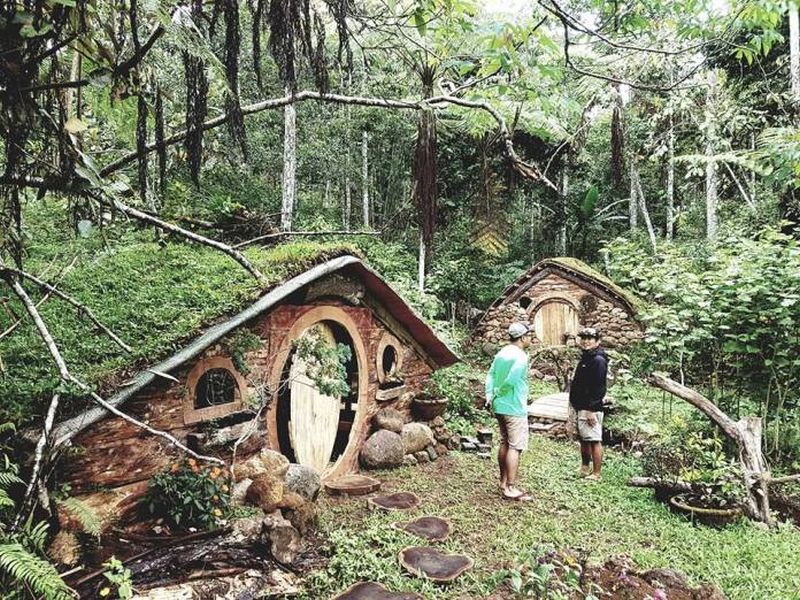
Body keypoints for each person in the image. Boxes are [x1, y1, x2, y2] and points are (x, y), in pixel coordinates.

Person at [485, 322, 533, 500]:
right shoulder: (520, 357)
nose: (530, 338)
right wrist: (500, 392)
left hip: (499, 405)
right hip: (514, 406)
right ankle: (510, 487)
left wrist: (491, 396)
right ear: (522, 337)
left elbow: (490, 375)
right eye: (528, 335)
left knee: (505, 441)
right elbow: (511, 380)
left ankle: (503, 481)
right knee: (515, 446)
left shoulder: (502, 353)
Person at [569, 327, 608, 481]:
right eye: (583, 338)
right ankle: (585, 467)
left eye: (589, 339)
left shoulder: (598, 360)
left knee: (594, 439)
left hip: (590, 407)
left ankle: (596, 473)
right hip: (582, 405)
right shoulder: (587, 357)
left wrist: (591, 409)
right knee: (585, 438)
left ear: (597, 341)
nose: (585, 341)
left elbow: (599, 387)